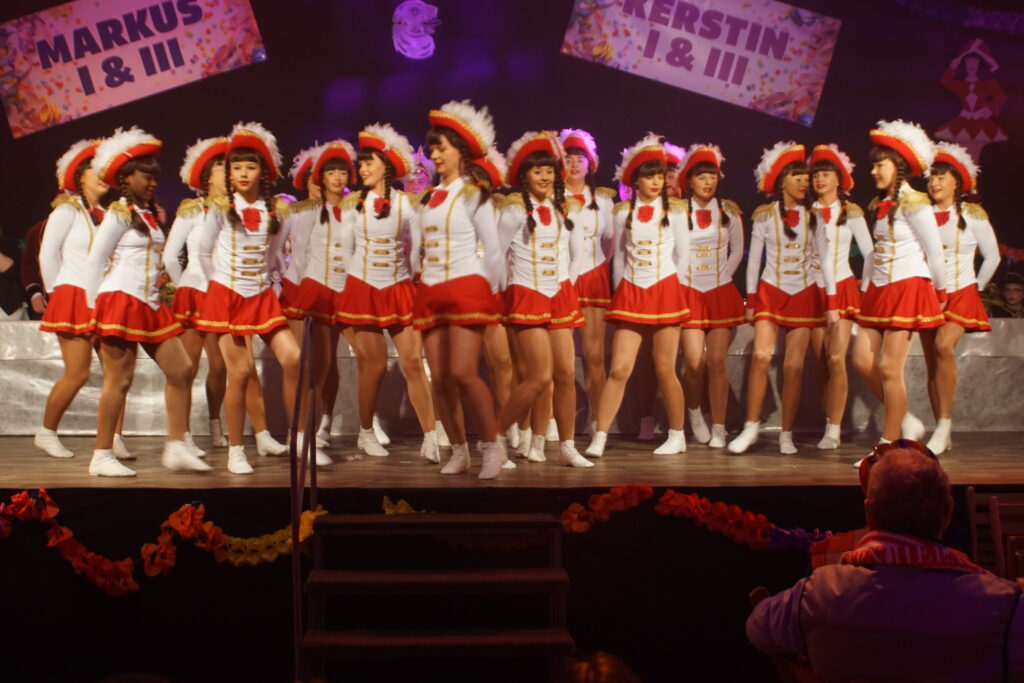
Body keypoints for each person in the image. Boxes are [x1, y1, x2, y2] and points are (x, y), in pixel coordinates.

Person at [747, 444, 1024, 682]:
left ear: (869, 512)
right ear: (948, 513)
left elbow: (758, 627)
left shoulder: (818, 592)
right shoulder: (1003, 607)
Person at [83, 127, 204, 476]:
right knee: (119, 380)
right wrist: (91, 313)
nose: (152, 182)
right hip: (120, 300)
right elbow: (94, 262)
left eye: (154, 177)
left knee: (181, 369)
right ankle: (101, 455)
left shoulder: (147, 214)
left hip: (149, 304)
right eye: (144, 176)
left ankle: (176, 445)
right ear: (126, 178)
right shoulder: (118, 213)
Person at [195, 122, 311, 473]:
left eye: (250, 167)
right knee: (241, 371)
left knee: (294, 358)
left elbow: (273, 255)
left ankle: (299, 437)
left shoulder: (275, 211)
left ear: (263, 172)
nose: (243, 173)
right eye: (237, 167)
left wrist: (266, 284)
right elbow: (202, 252)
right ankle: (235, 450)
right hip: (227, 296)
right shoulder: (219, 208)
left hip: (260, 297)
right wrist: (220, 285)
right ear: (229, 173)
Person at [164, 136, 286, 456]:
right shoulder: (193, 211)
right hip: (198, 291)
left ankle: (246, 430)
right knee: (188, 367)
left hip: (229, 293)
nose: (231, 172)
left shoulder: (242, 208)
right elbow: (173, 256)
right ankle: (183, 435)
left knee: (232, 368)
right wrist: (185, 285)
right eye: (223, 167)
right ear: (208, 175)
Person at [410, 100, 506, 479]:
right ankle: (458, 450)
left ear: (460, 151)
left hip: (466, 287)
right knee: (441, 379)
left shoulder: (474, 194)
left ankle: (492, 447)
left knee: (464, 372)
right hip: (431, 290)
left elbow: (493, 250)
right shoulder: (428, 198)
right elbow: (418, 248)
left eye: (441, 148)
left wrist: (489, 291)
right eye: (432, 149)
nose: (434, 155)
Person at [336, 123, 439, 462]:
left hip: (398, 287)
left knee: (413, 361)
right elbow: (347, 253)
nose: (362, 168)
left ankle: (430, 435)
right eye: (361, 163)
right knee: (375, 366)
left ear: (387, 165)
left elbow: (414, 251)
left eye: (369, 162)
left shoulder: (407, 205)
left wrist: (404, 280)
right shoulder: (352, 205)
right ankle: (365, 432)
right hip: (363, 287)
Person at [585, 134, 690, 458]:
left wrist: (672, 288)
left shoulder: (676, 211)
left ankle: (677, 435)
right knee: (619, 369)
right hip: (631, 292)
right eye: (649, 176)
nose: (656, 182)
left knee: (664, 369)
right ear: (636, 180)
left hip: (665, 290)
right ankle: (600, 436)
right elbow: (618, 257)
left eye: (660, 176)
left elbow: (684, 256)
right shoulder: (621, 213)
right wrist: (620, 292)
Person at [494, 130, 592, 468]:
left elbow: (578, 255)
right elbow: (496, 255)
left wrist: (566, 284)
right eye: (537, 171)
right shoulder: (513, 211)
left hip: (559, 294)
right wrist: (508, 289)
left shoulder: (568, 209)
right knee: (538, 376)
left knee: (565, 373)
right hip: (526, 294)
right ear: (525, 175)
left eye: (549, 170)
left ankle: (566, 446)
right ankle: (494, 437)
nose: (544, 176)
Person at [851, 120, 946, 457]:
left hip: (907, 286)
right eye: (873, 165)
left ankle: (886, 447)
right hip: (878, 290)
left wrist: (941, 294)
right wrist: (865, 289)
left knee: (891, 368)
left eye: (880, 164)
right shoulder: (881, 205)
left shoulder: (916, 202)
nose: (874, 171)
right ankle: (906, 419)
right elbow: (875, 253)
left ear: (898, 166)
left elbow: (935, 252)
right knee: (862, 360)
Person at [728, 143, 822, 455]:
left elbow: (822, 258)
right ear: (781, 181)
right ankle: (751, 426)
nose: (804, 181)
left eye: (805, 176)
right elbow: (753, 260)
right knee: (760, 357)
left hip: (804, 293)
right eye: (797, 176)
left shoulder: (815, 216)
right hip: (771, 291)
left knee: (794, 366)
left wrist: (830, 298)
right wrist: (751, 300)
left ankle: (786, 434)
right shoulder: (764, 216)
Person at [921, 142, 999, 455]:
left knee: (943, 346)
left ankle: (944, 426)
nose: (935, 183)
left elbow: (992, 257)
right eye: (931, 178)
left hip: (961, 291)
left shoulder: (972, 215)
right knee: (932, 363)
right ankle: (942, 428)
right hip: (928, 294)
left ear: (957, 181)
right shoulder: (921, 214)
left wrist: (976, 287)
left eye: (941, 177)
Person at [677, 143, 745, 448]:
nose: (708, 182)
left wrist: (723, 277)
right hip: (688, 290)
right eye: (701, 176)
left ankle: (719, 427)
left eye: (712, 176)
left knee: (717, 361)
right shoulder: (678, 211)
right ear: (689, 180)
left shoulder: (729, 210)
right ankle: (694, 413)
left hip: (719, 291)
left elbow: (738, 249)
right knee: (694, 362)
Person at [809, 144, 873, 450]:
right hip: (811, 291)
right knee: (820, 361)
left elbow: (870, 253)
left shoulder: (851, 212)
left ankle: (833, 430)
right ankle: (830, 419)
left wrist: (865, 290)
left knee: (836, 358)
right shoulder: (803, 212)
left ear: (839, 179)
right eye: (816, 175)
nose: (820, 179)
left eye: (826, 174)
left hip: (844, 287)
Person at [559, 128, 615, 438]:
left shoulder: (603, 199)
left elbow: (610, 242)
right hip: (562, 278)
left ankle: (598, 422)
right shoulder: (553, 197)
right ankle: (554, 421)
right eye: (568, 158)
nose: (574, 164)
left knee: (595, 356)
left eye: (579, 158)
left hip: (594, 277)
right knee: (561, 359)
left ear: (589, 163)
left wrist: (597, 266)